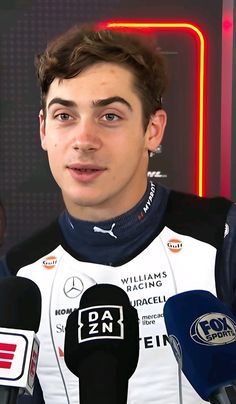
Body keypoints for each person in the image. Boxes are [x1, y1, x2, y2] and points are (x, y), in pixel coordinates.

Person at [0, 24, 235, 404]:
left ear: (153, 130)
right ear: (43, 130)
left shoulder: (221, 236)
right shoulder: (18, 276)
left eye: (109, 116)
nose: (83, 140)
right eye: (64, 116)